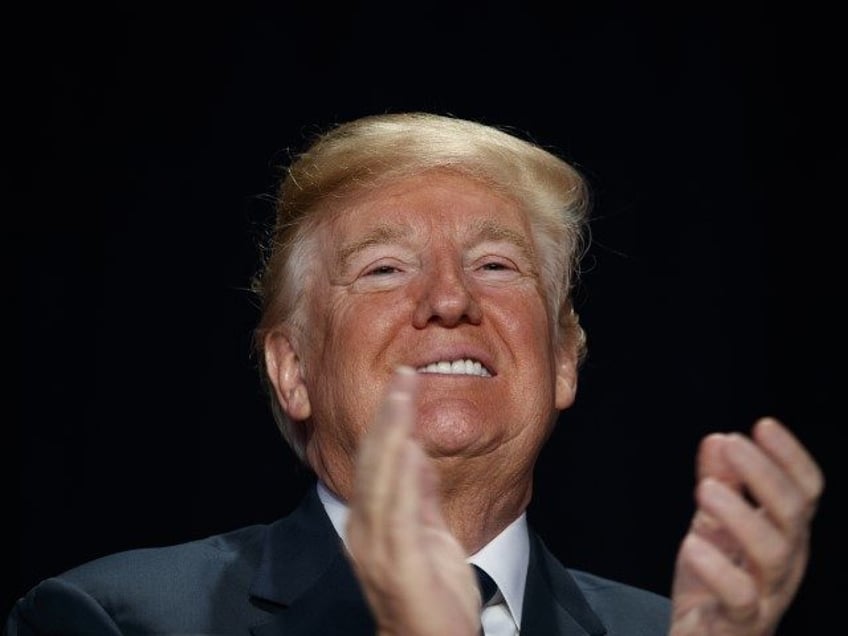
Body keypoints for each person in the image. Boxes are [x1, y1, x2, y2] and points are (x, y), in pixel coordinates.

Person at [5, 112, 824, 636]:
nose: (449, 300)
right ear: (294, 370)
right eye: (386, 269)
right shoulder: (115, 621)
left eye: (498, 265)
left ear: (564, 359)